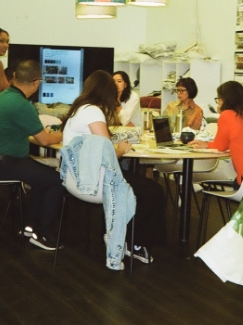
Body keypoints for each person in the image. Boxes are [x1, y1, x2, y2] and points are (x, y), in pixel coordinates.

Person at [62, 70, 166, 263]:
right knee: (153, 191)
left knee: (140, 186)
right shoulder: (93, 112)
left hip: (74, 178)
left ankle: (123, 235)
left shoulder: (79, 109)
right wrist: (121, 149)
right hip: (95, 182)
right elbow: (107, 153)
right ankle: (133, 243)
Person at [0, 59, 65, 250]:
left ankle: (30, 228)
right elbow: (44, 140)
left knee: (41, 179)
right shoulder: (21, 104)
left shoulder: (5, 96)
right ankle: (43, 234)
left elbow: (27, 134)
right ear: (36, 82)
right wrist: (66, 133)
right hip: (5, 164)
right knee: (56, 180)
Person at [189, 81, 243, 186]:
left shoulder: (226, 115)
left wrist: (206, 145)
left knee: (192, 178)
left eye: (219, 99)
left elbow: (220, 146)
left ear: (225, 99)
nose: (218, 102)